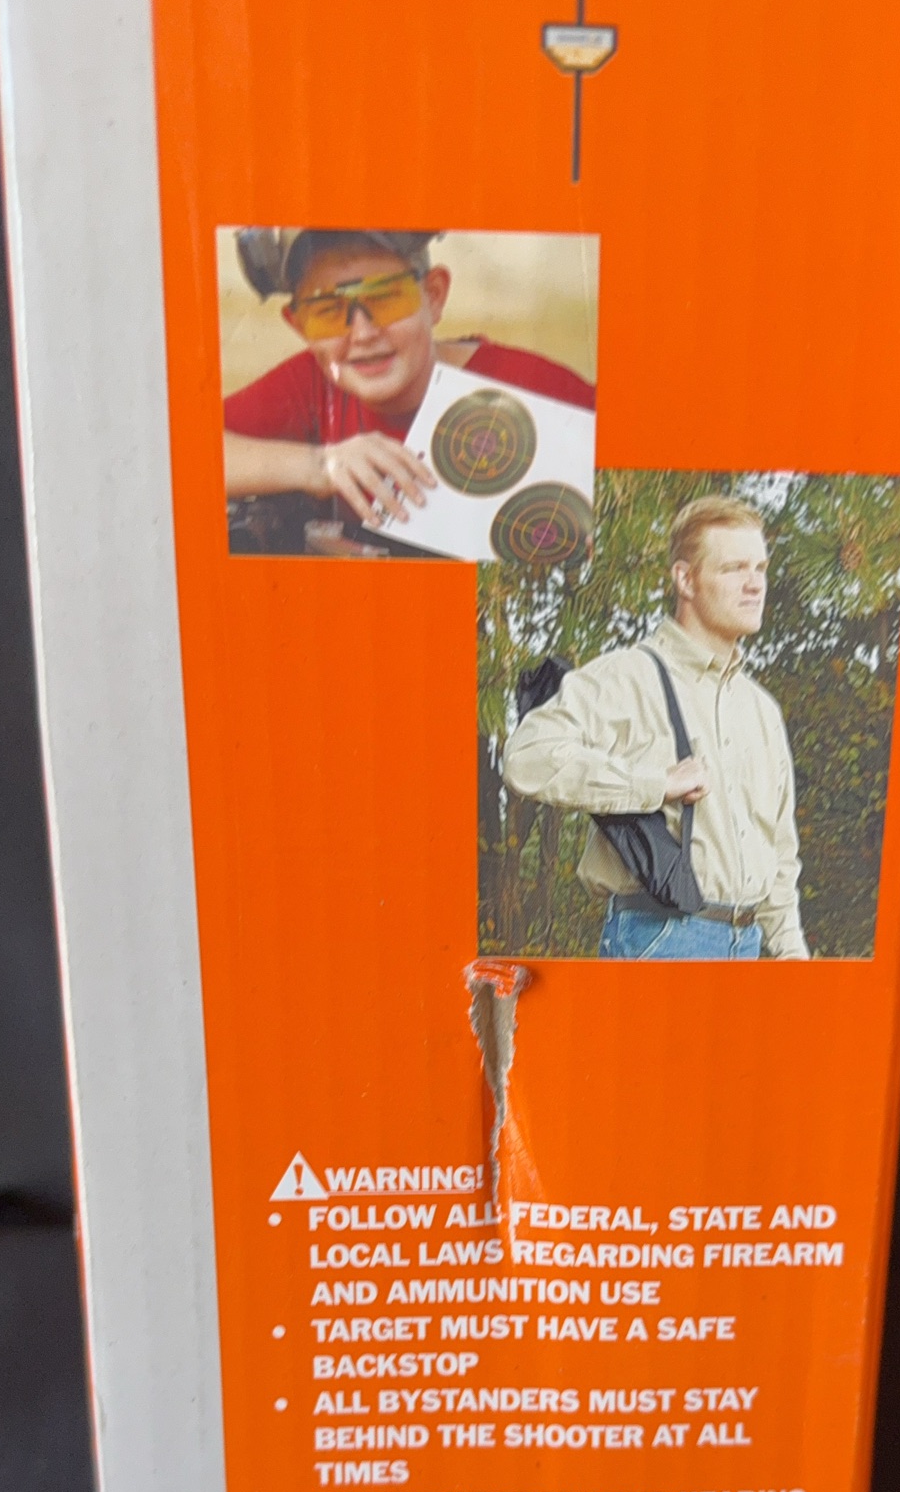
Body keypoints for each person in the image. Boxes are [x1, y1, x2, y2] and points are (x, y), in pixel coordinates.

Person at [501, 496, 809, 960]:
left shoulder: (761, 709)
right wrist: (655, 784)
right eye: (734, 569)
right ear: (685, 579)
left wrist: (791, 954)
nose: (754, 585)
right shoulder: (629, 676)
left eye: (760, 568)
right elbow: (526, 757)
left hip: (748, 947)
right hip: (661, 939)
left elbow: (780, 852)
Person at [223, 228, 595, 532]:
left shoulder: (531, 386)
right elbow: (192, 453)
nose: (363, 334)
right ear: (300, 326)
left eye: (386, 300)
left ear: (433, 297)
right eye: (327, 311)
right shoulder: (314, 383)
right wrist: (320, 465)